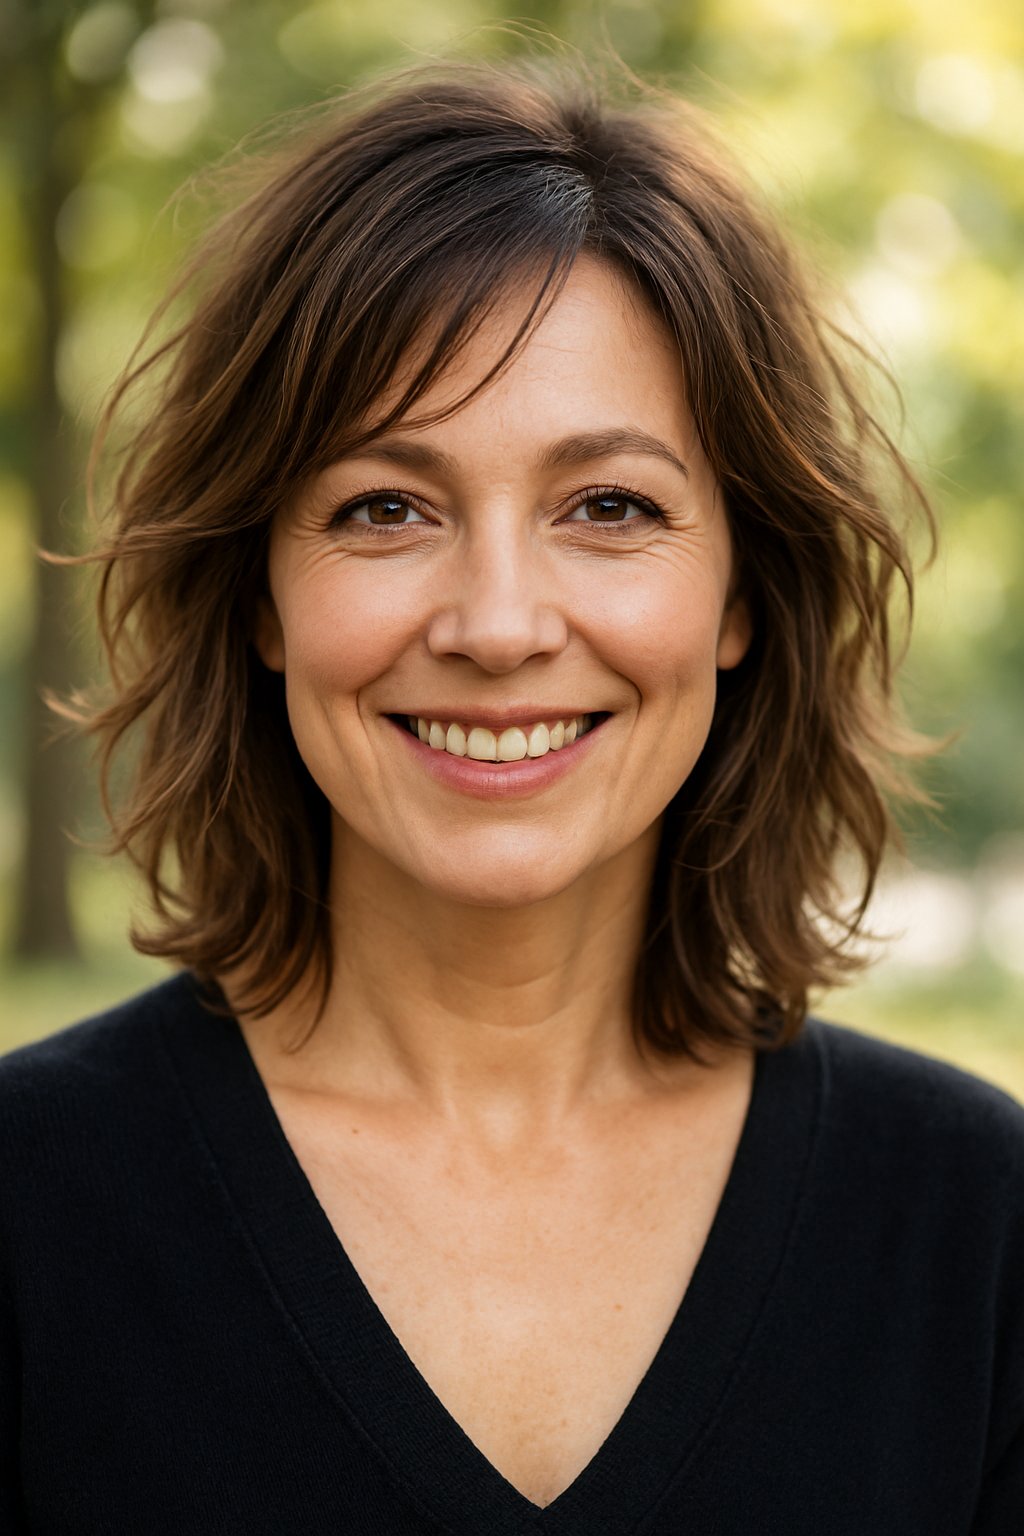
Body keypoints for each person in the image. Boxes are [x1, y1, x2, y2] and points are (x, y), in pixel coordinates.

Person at [1, 51, 1021, 1533]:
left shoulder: (975, 1232)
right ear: (262, 596)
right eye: (385, 507)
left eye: (609, 506)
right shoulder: (30, 1205)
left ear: (741, 593)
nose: (496, 624)